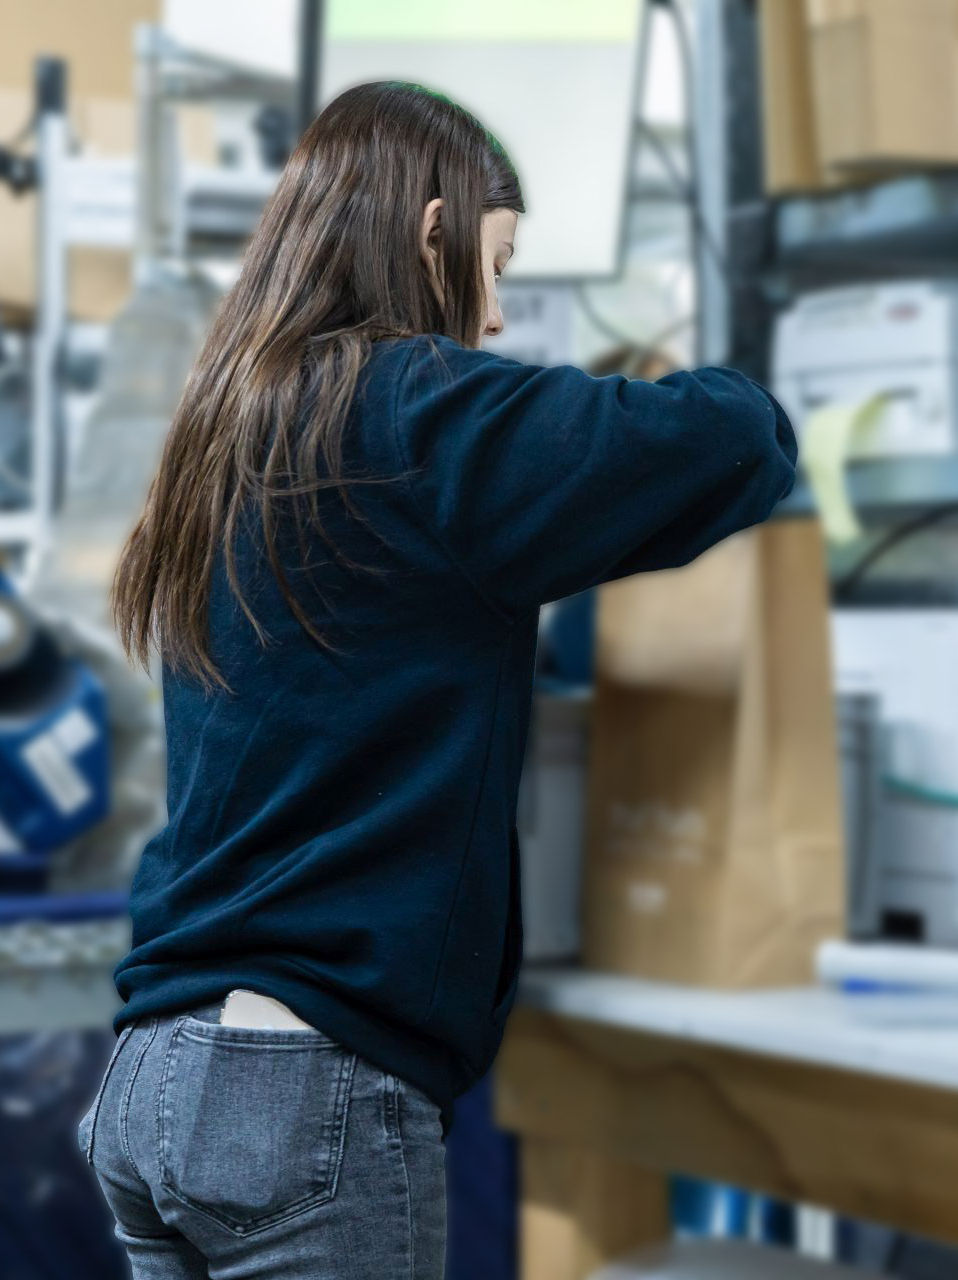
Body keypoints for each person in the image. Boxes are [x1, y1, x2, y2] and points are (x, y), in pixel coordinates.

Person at [75, 81, 797, 1278]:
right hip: (302, 1092)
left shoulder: (231, 431)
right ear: (430, 235)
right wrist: (694, 373)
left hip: (154, 1073)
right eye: (494, 265)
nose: (496, 314)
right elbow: (730, 441)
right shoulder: (413, 408)